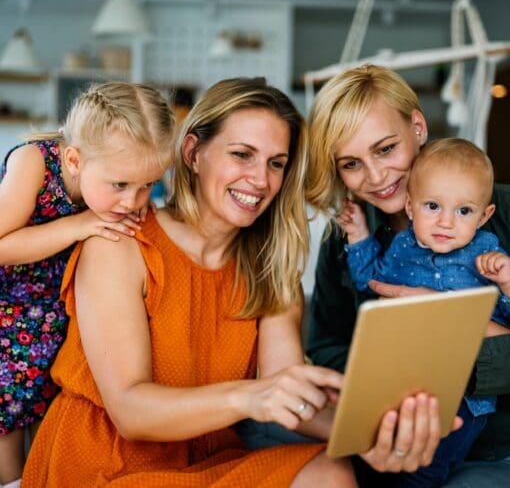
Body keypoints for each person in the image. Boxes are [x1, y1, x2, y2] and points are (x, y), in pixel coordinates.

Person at [22, 77, 446, 487]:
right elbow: (131, 412)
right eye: (242, 154)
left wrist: (373, 435)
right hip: (103, 463)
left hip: (206, 459)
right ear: (193, 152)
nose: (260, 180)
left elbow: (291, 391)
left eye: (275, 163)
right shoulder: (120, 241)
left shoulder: (270, 269)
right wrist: (250, 396)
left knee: (331, 472)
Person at [305, 64, 510, 487]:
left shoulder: (504, 213)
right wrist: (383, 389)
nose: (376, 177)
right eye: (351, 164)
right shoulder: (344, 237)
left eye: (385, 149)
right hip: (390, 434)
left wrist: (457, 329)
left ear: (417, 126)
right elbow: (326, 344)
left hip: (496, 444)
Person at [0, 81, 175, 488]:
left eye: (147, 185)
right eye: (121, 185)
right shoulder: (34, 164)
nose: (133, 201)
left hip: (53, 309)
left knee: (49, 400)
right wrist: (77, 225)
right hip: (8, 307)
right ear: (75, 161)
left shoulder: (112, 187)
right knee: (7, 412)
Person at [338, 137, 510, 486]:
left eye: (463, 211)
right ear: (411, 206)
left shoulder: (488, 255)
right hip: (404, 381)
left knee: (428, 470)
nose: (446, 222)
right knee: (378, 457)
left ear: (484, 215)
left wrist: (506, 283)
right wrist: (358, 236)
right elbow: (372, 281)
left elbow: (504, 318)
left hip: (464, 394)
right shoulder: (402, 246)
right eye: (433, 206)